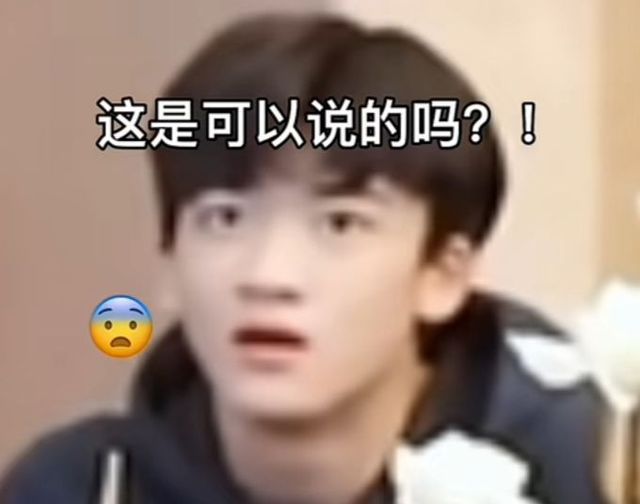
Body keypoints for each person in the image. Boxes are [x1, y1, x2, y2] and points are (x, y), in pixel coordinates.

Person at [1, 13, 605, 504]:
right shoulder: (70, 489)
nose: (268, 276)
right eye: (225, 218)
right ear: (170, 264)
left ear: (443, 275)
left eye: (340, 224)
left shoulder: (586, 473)